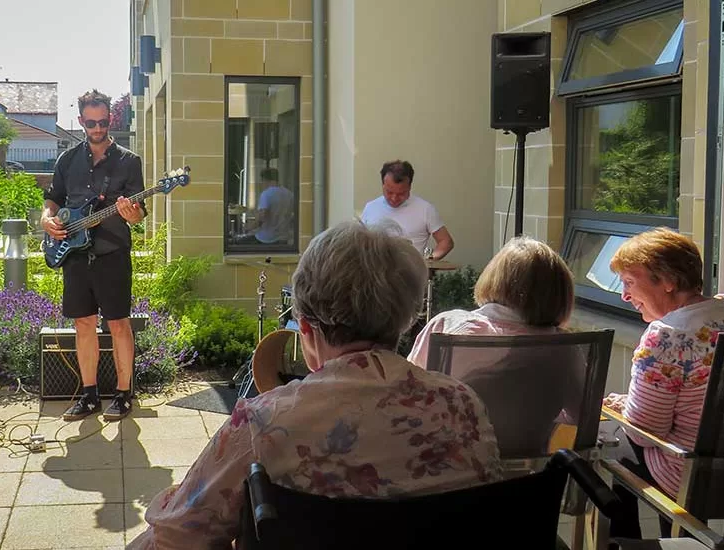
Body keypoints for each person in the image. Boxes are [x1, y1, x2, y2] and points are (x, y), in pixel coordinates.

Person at [128, 219, 502, 549]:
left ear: (304, 329)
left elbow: (178, 535)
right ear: (405, 319)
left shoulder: (265, 422)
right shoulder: (462, 406)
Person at [602, 227, 724, 538]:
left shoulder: (667, 334)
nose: (624, 295)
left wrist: (625, 407)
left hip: (691, 472)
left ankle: (627, 542)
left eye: (629, 282)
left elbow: (646, 432)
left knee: (607, 443)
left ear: (668, 281)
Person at [407, 237, 581, 456]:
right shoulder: (564, 348)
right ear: (560, 292)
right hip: (529, 482)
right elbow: (581, 416)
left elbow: (409, 393)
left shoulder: (448, 325)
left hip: (450, 475)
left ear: (495, 279)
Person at [42, 89, 145, 421]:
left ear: (110, 120)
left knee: (118, 325)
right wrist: (46, 218)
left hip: (112, 253)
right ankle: (88, 396)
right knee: (83, 324)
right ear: (81, 120)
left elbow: (138, 212)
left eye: (103, 122)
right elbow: (53, 198)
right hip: (74, 254)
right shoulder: (67, 160)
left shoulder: (129, 161)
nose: (98, 128)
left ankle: (124, 394)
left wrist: (132, 214)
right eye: (91, 123)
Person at [360, 159, 454, 260]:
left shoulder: (425, 209)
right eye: (389, 192)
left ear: (410, 187)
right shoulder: (370, 207)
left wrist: (427, 262)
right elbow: (360, 242)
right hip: (376, 272)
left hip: (411, 273)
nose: (394, 198)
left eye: (401, 193)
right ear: (383, 185)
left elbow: (446, 242)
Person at [246, 167, 294, 245]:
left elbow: (262, 217)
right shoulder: (289, 194)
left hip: (266, 239)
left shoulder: (266, 194)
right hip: (283, 238)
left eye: (262, 180)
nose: (262, 183)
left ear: (265, 179)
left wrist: (249, 227)